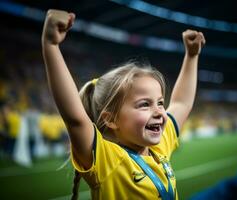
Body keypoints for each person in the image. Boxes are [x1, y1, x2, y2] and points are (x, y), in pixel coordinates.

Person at [41, 9, 205, 200]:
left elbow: (181, 103)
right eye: (144, 104)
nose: (159, 111)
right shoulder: (108, 160)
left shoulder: (159, 147)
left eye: (160, 102)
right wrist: (51, 45)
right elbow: (75, 119)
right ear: (111, 120)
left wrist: (192, 56)